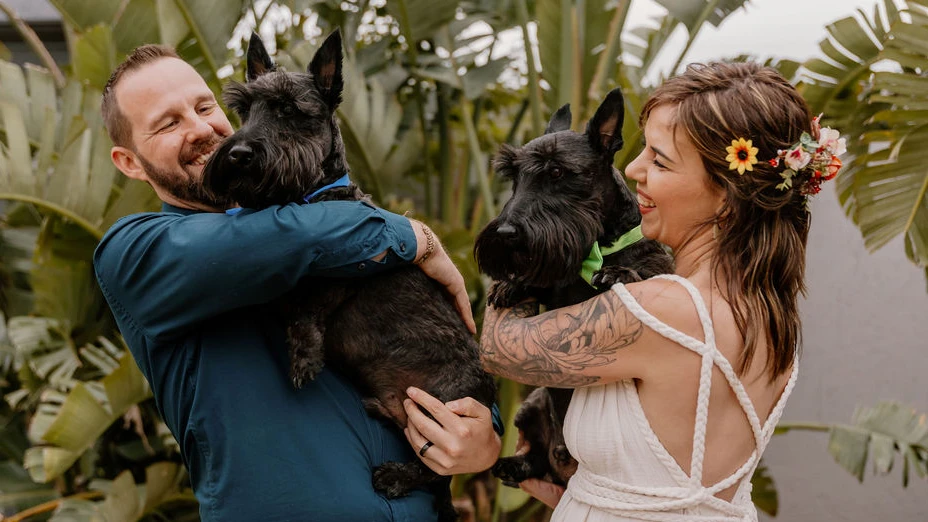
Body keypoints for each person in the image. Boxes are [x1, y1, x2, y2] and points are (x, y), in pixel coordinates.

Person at [93, 44, 501, 522]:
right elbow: (281, 239)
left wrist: (482, 440)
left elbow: (434, 349)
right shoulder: (135, 251)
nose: (202, 129)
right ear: (129, 163)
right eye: (168, 123)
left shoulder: (341, 230)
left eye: (206, 107)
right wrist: (412, 236)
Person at [479, 62, 843, 521]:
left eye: (659, 159)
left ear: (727, 193)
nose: (632, 169)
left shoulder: (656, 309)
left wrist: (518, 255)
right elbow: (662, 487)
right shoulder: (769, 309)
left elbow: (497, 349)